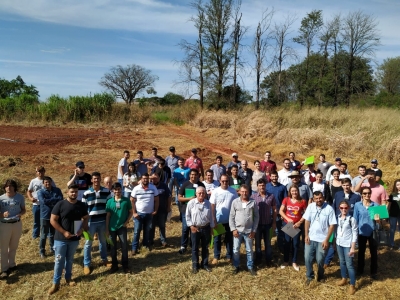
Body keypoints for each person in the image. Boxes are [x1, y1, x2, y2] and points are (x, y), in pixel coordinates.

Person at [48, 184, 89, 295]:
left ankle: (68, 278)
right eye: (72, 191)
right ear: (67, 192)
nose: (74, 193)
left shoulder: (81, 205)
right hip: (60, 239)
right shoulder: (60, 204)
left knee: (70, 259)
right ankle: (55, 283)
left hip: (74, 239)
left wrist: (81, 229)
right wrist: (64, 232)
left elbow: (85, 217)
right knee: (59, 261)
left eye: (76, 192)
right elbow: (53, 220)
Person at [324, 178, 361, 268]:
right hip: (337, 221)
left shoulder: (356, 197)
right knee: (334, 241)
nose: (346, 187)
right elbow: (333, 206)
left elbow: (357, 211)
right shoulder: (338, 194)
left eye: (347, 185)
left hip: (349, 223)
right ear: (341, 186)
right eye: (344, 185)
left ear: (350, 185)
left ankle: (350, 262)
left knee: (349, 243)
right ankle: (327, 261)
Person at [81, 172, 112, 274]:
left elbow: (109, 207)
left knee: (103, 242)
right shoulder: (86, 193)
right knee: (88, 244)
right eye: (94, 179)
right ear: (91, 180)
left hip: (103, 222)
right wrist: (83, 224)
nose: (96, 180)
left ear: (100, 179)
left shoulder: (106, 191)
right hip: (90, 223)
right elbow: (82, 210)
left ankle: (104, 259)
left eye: (98, 178)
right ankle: (86, 264)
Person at [303, 191, 337, 284]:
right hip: (310, 238)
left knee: (320, 259)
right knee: (307, 258)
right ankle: (309, 276)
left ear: (324, 197)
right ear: (313, 199)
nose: (318, 200)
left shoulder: (329, 209)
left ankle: (321, 275)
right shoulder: (310, 207)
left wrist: (327, 240)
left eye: (320, 198)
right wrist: (306, 235)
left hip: (322, 239)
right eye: (316, 198)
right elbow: (307, 221)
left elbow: (332, 226)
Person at [229, 185, 259, 276]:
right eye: (242, 191)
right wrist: (233, 229)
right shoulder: (235, 202)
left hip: (249, 231)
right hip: (238, 230)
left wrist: (254, 230)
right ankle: (236, 266)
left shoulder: (253, 203)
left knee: (249, 250)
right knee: (236, 249)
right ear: (239, 192)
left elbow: (257, 217)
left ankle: (250, 266)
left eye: (246, 191)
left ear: (249, 192)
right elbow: (231, 217)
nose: (244, 193)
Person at [0, 179, 26, 279]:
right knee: (3, 248)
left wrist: (21, 214)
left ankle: (12, 264)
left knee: (13, 246)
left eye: (11, 186)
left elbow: (24, 209)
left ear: (14, 187)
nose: (8, 188)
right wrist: (2, 214)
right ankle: (4, 269)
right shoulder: (1, 198)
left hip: (17, 224)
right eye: (7, 186)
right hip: (4, 225)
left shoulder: (19, 197)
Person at [105, 182, 133, 274]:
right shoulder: (109, 201)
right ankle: (114, 265)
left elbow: (131, 212)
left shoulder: (126, 200)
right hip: (112, 228)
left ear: (121, 190)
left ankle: (125, 265)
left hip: (122, 227)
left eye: (119, 189)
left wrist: (126, 222)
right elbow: (108, 216)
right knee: (113, 247)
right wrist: (107, 229)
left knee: (124, 246)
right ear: (113, 191)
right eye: (116, 190)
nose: (118, 191)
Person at [186, 187, 215, 274]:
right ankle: (195, 265)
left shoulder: (208, 203)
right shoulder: (191, 203)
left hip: (206, 228)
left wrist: (212, 228)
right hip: (195, 228)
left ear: (205, 194)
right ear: (196, 194)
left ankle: (205, 264)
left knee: (205, 247)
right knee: (195, 248)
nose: (201, 194)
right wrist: (191, 226)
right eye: (199, 193)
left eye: (203, 193)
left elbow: (211, 217)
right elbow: (187, 216)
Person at [209, 175, 237, 264]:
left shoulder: (233, 191)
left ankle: (229, 256)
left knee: (229, 239)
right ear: (219, 181)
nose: (225, 183)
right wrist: (213, 219)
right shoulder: (216, 191)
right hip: (218, 220)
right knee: (217, 239)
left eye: (227, 181)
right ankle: (216, 256)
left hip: (230, 220)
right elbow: (212, 205)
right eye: (223, 181)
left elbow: (237, 204)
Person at [279, 185, 307, 271]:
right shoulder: (286, 200)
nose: (294, 192)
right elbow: (281, 211)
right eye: (292, 191)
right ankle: (286, 261)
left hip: (296, 225)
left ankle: (294, 261)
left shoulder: (302, 201)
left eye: (295, 191)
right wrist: (287, 218)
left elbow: (306, 214)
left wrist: (299, 222)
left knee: (295, 244)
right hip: (288, 225)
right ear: (290, 192)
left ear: (298, 191)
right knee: (287, 243)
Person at [353, 186, 379, 279]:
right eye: (364, 193)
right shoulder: (357, 205)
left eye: (368, 193)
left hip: (373, 231)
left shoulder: (375, 205)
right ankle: (360, 270)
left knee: (373, 252)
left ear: (370, 194)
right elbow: (355, 219)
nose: (367, 195)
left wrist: (378, 220)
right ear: (361, 195)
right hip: (361, 231)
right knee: (361, 252)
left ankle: (374, 272)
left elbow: (380, 220)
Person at [130, 173, 159, 255]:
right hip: (139, 214)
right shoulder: (136, 188)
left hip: (149, 214)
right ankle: (134, 248)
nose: (145, 180)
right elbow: (132, 200)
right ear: (141, 179)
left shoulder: (153, 188)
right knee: (136, 231)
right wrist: (134, 212)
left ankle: (145, 245)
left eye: (147, 178)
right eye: (144, 178)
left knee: (147, 231)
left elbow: (157, 199)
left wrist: (155, 210)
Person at [177, 169, 205, 254]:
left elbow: (205, 196)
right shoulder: (185, 184)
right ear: (189, 175)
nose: (193, 176)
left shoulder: (201, 184)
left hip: (197, 211)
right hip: (186, 210)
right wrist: (189, 199)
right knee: (185, 228)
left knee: (195, 228)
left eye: (195, 175)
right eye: (192, 174)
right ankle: (183, 246)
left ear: (198, 175)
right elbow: (179, 198)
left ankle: (193, 245)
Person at [37, 176, 63, 258]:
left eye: (49, 182)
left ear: (51, 182)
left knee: (53, 233)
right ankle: (42, 251)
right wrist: (54, 199)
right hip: (45, 215)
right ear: (43, 183)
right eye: (46, 182)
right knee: (44, 235)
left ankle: (53, 248)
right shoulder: (40, 192)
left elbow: (61, 199)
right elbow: (43, 201)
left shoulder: (57, 190)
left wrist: (50, 200)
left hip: (55, 215)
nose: (48, 184)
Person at [335, 200, 358, 295]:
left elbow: (355, 233)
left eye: (345, 208)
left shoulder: (351, 219)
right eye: (341, 208)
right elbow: (334, 230)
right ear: (339, 209)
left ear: (348, 208)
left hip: (348, 245)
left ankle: (352, 285)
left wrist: (353, 247)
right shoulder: (337, 218)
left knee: (350, 265)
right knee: (342, 262)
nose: (343, 209)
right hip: (339, 243)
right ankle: (344, 278)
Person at [253, 179, 276, 267]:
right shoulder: (253, 197)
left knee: (268, 243)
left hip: (267, 224)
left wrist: (274, 222)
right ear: (257, 186)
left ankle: (268, 260)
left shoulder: (271, 196)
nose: (262, 187)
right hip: (257, 225)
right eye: (260, 185)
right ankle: (258, 259)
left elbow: (274, 210)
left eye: (263, 185)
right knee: (257, 243)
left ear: (265, 186)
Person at [27, 165, 54, 239]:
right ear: (36, 172)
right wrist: (31, 198)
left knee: (48, 220)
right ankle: (35, 235)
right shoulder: (33, 181)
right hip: (37, 204)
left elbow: (54, 189)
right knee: (36, 221)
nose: (40, 173)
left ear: (44, 171)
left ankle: (49, 234)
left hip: (47, 205)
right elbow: (29, 191)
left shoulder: (48, 180)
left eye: (42, 171)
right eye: (38, 171)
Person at [266, 171, 288, 253]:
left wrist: (284, 213)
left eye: (276, 176)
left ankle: (280, 248)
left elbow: (285, 201)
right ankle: (268, 248)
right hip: (268, 212)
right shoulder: (267, 186)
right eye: (273, 176)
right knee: (268, 231)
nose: (274, 178)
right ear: (270, 177)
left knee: (280, 231)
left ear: (277, 177)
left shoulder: (282, 187)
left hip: (279, 213)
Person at [149, 173, 171, 247]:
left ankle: (163, 240)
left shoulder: (163, 185)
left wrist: (168, 207)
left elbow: (169, 196)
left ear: (159, 178)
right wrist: (150, 177)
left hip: (162, 209)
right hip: (152, 210)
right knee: (152, 226)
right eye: (153, 178)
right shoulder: (149, 186)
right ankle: (151, 240)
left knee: (162, 225)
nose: (154, 179)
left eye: (156, 178)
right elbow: (140, 181)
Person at [388, 179, 400, 249]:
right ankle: (391, 244)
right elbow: (389, 204)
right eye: (398, 185)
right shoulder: (393, 194)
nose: (399, 186)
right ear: (395, 186)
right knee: (392, 229)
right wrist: (387, 212)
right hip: (393, 214)